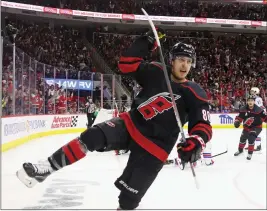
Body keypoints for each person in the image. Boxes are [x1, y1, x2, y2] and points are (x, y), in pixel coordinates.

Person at [16, 29, 212, 210]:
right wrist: (146, 42)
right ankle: (46, 167)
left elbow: (202, 125)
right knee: (91, 137)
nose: (184, 65)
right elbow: (126, 64)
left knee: (128, 201)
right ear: (172, 60)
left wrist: (196, 142)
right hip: (131, 124)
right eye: (180, 59)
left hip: (155, 147)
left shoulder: (195, 92)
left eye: (188, 61)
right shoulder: (156, 71)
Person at [233, 94, 267, 160]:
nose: (250, 102)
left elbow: (265, 118)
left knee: (251, 137)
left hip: (257, 127)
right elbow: (239, 117)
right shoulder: (243, 108)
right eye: (249, 101)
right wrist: (237, 122)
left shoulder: (259, 110)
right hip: (246, 127)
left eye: (252, 100)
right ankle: (240, 150)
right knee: (242, 138)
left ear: (254, 101)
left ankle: (250, 153)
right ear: (247, 102)